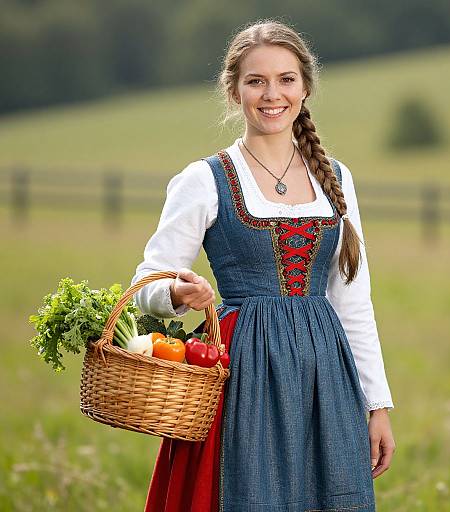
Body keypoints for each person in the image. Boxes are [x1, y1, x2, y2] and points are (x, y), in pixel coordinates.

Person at [132, 19, 395, 512]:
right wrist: (176, 293)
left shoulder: (335, 178)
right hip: (242, 374)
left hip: (326, 377)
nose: (271, 94)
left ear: (305, 87)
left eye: (286, 79)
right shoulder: (204, 179)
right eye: (256, 81)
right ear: (234, 92)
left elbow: (353, 301)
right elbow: (146, 282)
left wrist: (377, 405)